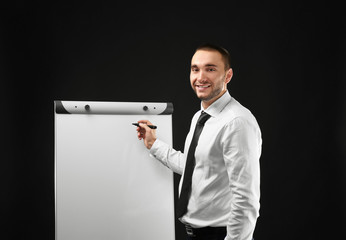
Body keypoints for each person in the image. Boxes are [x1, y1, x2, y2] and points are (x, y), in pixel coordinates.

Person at [135, 43, 262, 240]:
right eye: (195, 69)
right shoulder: (201, 116)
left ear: (227, 76)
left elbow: (246, 200)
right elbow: (195, 167)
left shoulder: (237, 122)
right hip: (196, 234)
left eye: (210, 69)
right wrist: (154, 144)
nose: (200, 77)